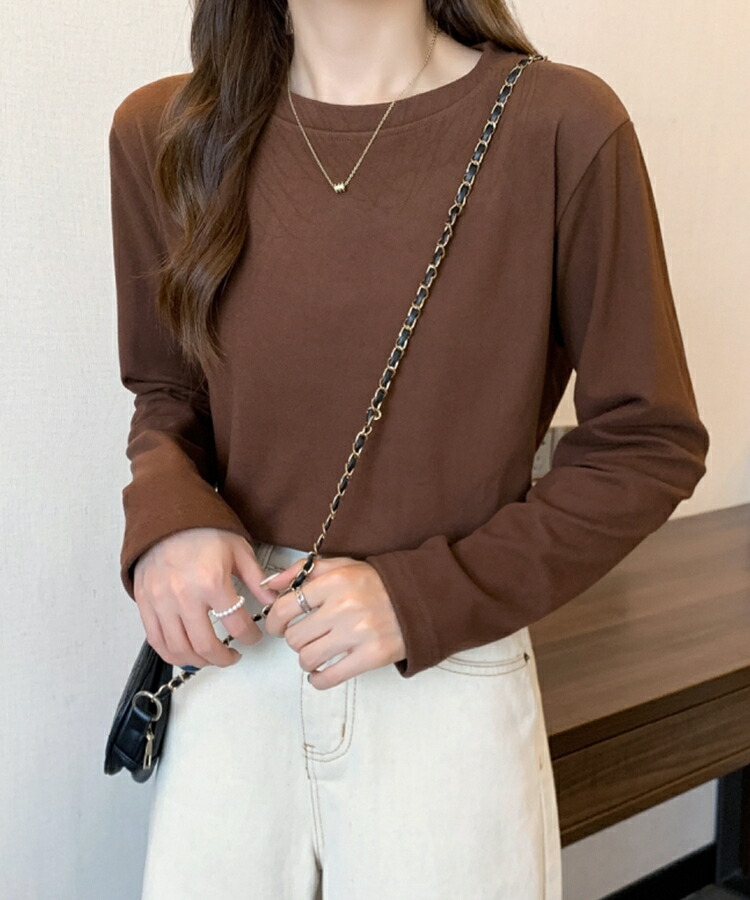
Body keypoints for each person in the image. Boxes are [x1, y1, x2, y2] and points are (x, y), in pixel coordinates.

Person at [108, 1, 709, 897]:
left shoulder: (560, 126)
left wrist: (423, 596)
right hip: (233, 655)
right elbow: (168, 392)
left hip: (445, 669)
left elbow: (648, 441)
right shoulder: (166, 132)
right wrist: (169, 522)